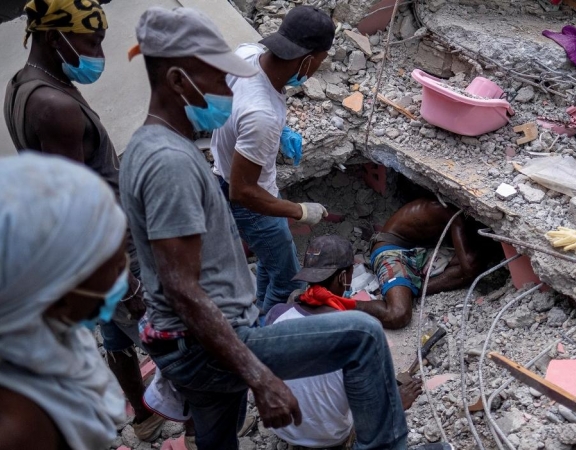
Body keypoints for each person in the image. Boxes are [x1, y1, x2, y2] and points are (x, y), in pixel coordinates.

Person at [121, 7, 435, 450]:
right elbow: (181, 287)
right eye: (217, 81)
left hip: (191, 341)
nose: (228, 94)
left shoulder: (150, 146)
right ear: (177, 81)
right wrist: (258, 374)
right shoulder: (171, 163)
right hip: (207, 345)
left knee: (217, 432)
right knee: (362, 337)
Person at [3, 0, 164, 441]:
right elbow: (78, 210)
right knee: (170, 346)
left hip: (97, 257)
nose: (99, 52)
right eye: (90, 40)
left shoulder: (23, 84)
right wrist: (125, 281)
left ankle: (146, 418)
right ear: (54, 37)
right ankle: (194, 427)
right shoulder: (54, 106)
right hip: (110, 253)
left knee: (115, 338)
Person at [210, 5, 334, 320]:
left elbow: (242, 113)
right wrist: (300, 211)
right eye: (320, 61)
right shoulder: (262, 115)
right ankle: (266, 332)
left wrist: (279, 132)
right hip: (248, 201)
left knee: (271, 259)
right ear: (307, 59)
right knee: (287, 278)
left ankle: (258, 305)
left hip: (227, 171)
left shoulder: (248, 55)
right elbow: (243, 192)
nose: (317, 68)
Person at [0, 153, 129, 450]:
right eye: (113, 266)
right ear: (58, 298)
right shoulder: (23, 430)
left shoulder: (53, 331)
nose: (124, 273)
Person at [265, 235, 425, 449]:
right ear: (344, 277)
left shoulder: (276, 315)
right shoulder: (356, 335)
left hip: (284, 429)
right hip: (330, 437)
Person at [358, 199, 492, 329]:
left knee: (476, 264)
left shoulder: (455, 216)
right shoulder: (452, 215)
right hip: (391, 251)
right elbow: (468, 266)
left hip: (419, 252)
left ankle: (408, 290)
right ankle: (347, 306)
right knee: (398, 314)